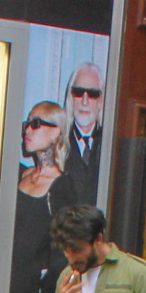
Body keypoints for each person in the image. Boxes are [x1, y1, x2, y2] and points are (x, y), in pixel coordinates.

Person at [8, 101, 68, 293]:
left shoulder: (61, 186)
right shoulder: (18, 174)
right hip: (1, 283)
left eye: (36, 124)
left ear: (56, 133)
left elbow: (61, 255)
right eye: (27, 124)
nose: (27, 130)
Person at [49, 204, 146, 293]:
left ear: (98, 238)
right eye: (65, 251)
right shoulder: (66, 276)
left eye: (77, 250)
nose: (72, 259)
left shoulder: (138, 273)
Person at [56, 61, 104, 211]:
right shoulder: (56, 142)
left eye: (93, 94)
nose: (84, 101)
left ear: (101, 100)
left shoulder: (111, 145)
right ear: (71, 97)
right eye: (78, 92)